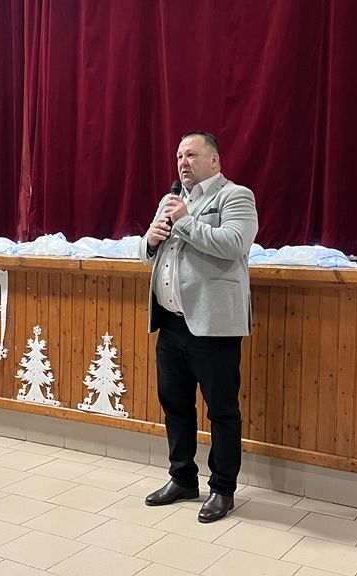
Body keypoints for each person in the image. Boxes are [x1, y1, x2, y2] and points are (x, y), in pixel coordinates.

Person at [138, 131, 258, 523]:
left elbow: (234, 243)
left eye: (190, 155)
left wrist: (185, 222)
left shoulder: (235, 196)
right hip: (170, 324)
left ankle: (222, 488)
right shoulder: (171, 200)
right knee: (175, 405)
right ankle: (182, 478)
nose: (182, 163)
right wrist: (150, 241)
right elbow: (147, 254)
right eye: (178, 156)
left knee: (221, 410)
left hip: (213, 326)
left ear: (214, 160)